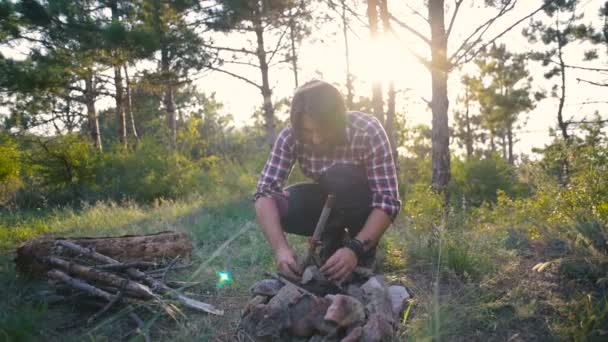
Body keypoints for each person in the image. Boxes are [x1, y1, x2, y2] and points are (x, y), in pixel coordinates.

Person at [253, 80, 400, 285]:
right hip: (329, 201)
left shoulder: (367, 130)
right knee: (282, 204)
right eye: (308, 131)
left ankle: (363, 252)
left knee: (339, 175)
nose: (316, 139)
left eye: (324, 130)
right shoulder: (291, 136)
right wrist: (281, 249)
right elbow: (264, 192)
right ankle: (333, 240)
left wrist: (355, 248)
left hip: (363, 205)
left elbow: (388, 202)